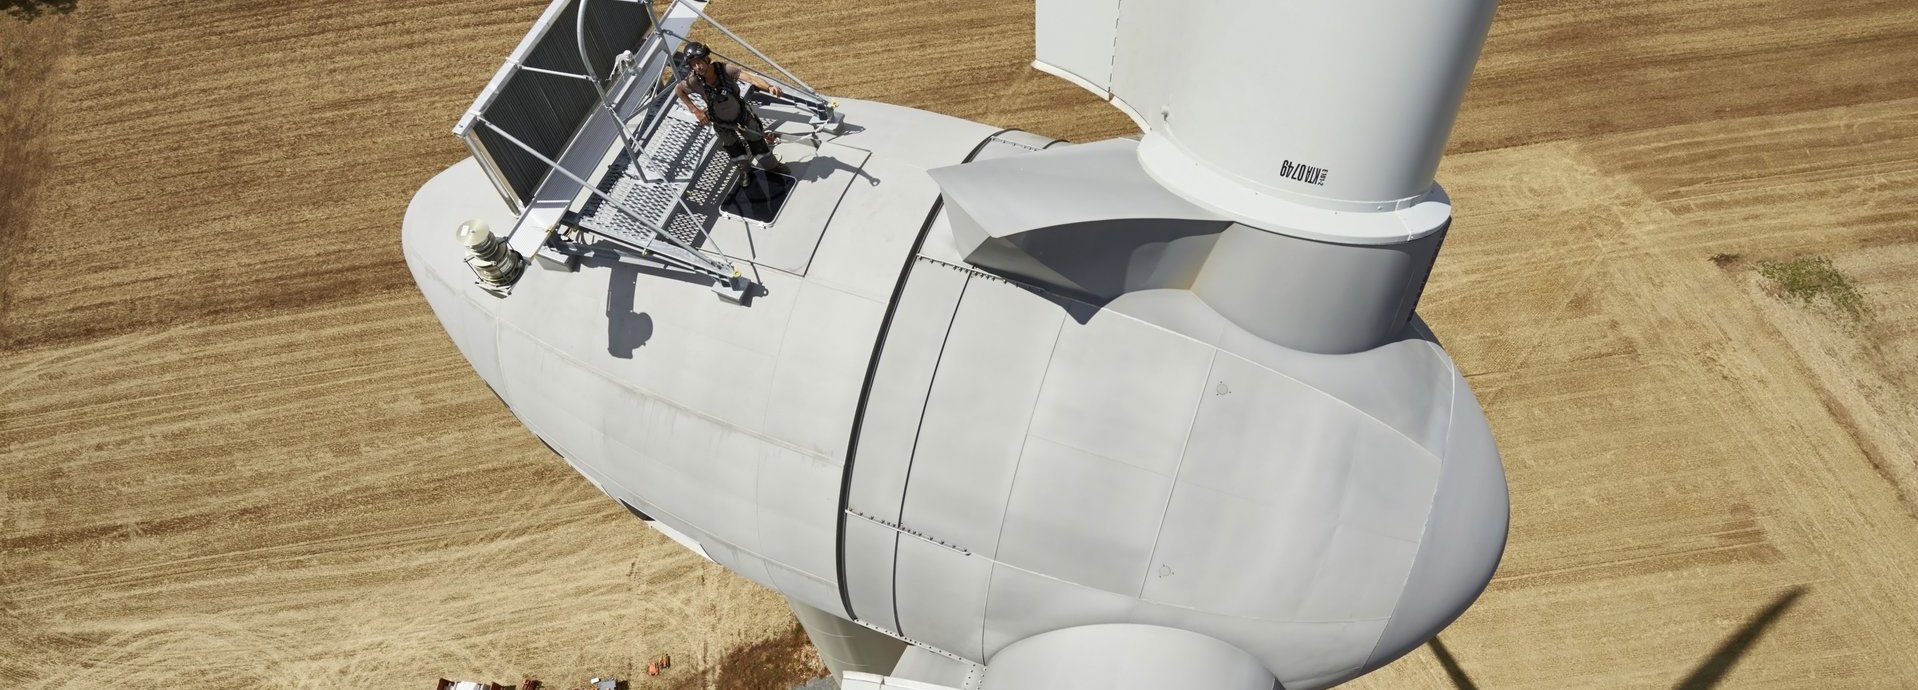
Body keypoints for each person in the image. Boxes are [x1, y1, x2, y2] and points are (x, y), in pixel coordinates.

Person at [674, 41, 790, 180]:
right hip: (721, 122)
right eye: (693, 64)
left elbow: (751, 78)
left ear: (706, 59)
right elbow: (679, 90)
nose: (698, 67)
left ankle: (772, 166)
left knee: (757, 143)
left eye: (699, 62)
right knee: (734, 150)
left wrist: (769, 87)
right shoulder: (694, 81)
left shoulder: (725, 70)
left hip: (742, 116)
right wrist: (695, 110)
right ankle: (745, 172)